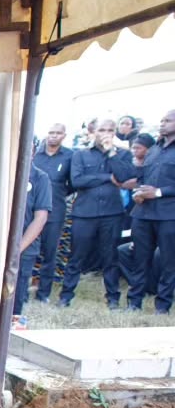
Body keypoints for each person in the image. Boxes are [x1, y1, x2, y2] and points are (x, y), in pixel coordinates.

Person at [62, 118, 136, 309]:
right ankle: (65, 296)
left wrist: (111, 154)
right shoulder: (81, 154)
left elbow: (124, 177)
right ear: (94, 132)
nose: (106, 134)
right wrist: (107, 177)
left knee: (110, 258)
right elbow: (77, 181)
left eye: (110, 130)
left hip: (112, 213)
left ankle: (113, 299)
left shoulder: (123, 154)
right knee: (76, 256)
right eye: (102, 130)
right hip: (84, 213)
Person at [0, 165, 51, 315]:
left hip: (22, 252)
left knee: (12, 305)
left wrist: (15, 251)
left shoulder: (40, 178)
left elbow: (40, 219)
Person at [130, 110, 175, 313]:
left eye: (167, 120)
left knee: (168, 262)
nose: (162, 123)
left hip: (169, 215)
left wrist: (157, 192)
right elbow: (142, 178)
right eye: (161, 120)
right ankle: (134, 303)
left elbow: (157, 188)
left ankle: (162, 306)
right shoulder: (154, 149)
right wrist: (138, 192)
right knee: (139, 260)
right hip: (143, 213)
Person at [32, 123, 74, 302]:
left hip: (55, 211)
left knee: (50, 253)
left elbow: (73, 183)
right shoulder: (35, 155)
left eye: (58, 133)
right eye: (51, 132)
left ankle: (43, 294)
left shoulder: (70, 156)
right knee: (28, 250)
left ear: (64, 136)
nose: (54, 136)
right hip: (32, 211)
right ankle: (21, 289)